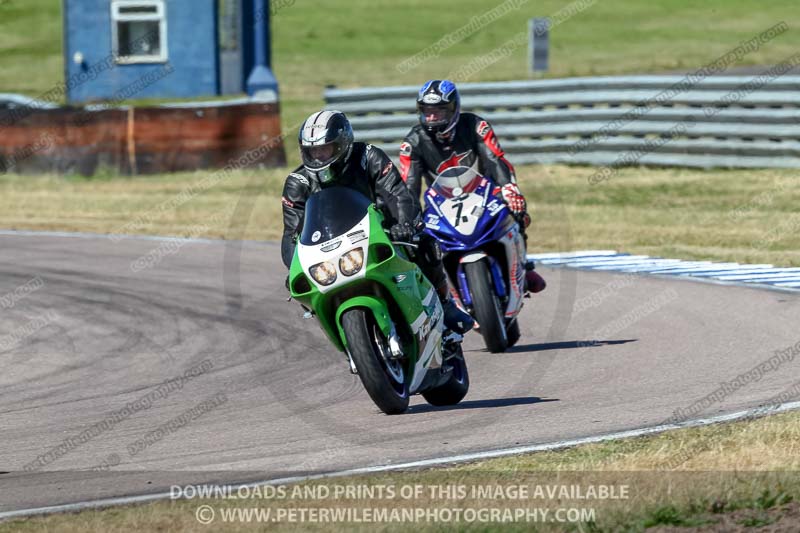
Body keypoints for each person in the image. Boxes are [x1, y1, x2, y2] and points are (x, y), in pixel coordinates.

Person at [281, 110, 473, 334]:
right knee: (309, 289)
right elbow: (291, 234)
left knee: (424, 241)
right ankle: (350, 341)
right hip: (331, 248)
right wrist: (294, 265)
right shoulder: (298, 183)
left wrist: (404, 224)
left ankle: (445, 302)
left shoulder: (368, 157)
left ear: (342, 144)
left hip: (381, 229)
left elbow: (398, 194)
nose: (319, 157)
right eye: (312, 151)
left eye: (325, 149)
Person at [399, 80, 546, 293]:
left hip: (484, 192)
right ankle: (442, 293)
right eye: (427, 112)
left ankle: (524, 265)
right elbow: (408, 185)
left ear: (453, 110)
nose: (432, 118)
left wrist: (508, 187)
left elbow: (496, 159)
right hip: (442, 202)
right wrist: (409, 218)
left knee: (516, 207)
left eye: (439, 112)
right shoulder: (412, 143)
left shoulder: (475, 126)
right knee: (420, 242)